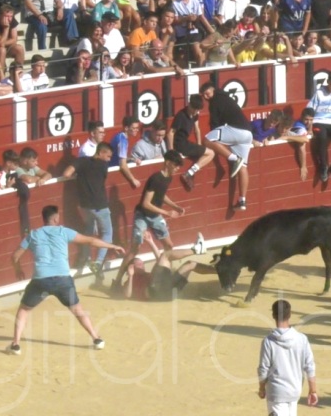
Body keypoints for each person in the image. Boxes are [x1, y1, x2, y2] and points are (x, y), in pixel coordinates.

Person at [9, 205, 122, 355]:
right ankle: (96, 339)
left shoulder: (33, 235)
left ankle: (16, 345)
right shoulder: (63, 232)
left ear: (44, 219)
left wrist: (18, 270)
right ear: (56, 219)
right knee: (77, 310)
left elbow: (15, 256)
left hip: (41, 281)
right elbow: (90, 241)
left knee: (24, 310)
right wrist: (112, 245)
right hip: (62, 280)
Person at [112, 151, 206, 298]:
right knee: (134, 250)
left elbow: (161, 195)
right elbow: (146, 203)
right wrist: (167, 213)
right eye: (175, 166)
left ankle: (166, 275)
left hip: (155, 215)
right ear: (168, 162)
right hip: (142, 215)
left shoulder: (168, 178)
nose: (177, 169)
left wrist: (174, 206)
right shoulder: (155, 178)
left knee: (169, 246)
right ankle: (117, 281)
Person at [257, 299, 318, 416]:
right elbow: (310, 365)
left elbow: (263, 368)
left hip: (276, 391)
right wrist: (313, 390)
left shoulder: (268, 341)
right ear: (290, 315)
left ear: (274, 315)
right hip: (294, 390)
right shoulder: (301, 339)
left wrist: (261, 387)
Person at [60, 142, 117, 282]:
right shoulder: (103, 166)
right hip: (100, 205)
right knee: (107, 233)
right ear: (101, 152)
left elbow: (66, 173)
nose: (109, 159)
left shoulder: (81, 161)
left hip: (85, 205)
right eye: (108, 156)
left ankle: (85, 257)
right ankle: (98, 262)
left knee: (88, 231)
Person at [200, 82, 254, 210]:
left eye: (207, 94)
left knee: (207, 140)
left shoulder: (214, 102)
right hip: (248, 134)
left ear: (212, 90)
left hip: (236, 130)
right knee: (243, 167)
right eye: (204, 96)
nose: (206, 97)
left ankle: (234, 158)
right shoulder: (226, 97)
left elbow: (215, 125)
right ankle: (242, 200)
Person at [307, 70, 331, 184]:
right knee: (322, 138)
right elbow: (310, 110)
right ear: (328, 82)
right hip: (318, 121)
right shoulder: (319, 93)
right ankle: (324, 166)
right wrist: (310, 128)